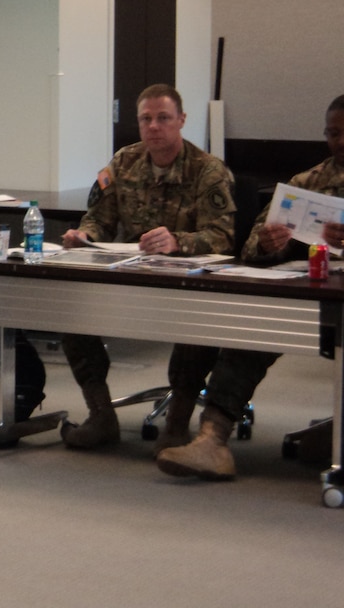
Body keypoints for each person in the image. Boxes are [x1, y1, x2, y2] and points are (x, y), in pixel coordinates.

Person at [156, 93, 344, 480]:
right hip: (319, 298)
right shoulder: (311, 182)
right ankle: (213, 438)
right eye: (332, 133)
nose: (338, 142)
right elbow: (254, 243)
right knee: (255, 324)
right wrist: (271, 241)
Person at [59, 84, 236, 450]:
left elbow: (223, 236)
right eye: (146, 119)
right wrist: (84, 235)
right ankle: (101, 414)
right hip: (130, 274)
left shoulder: (208, 171)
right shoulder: (123, 163)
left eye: (163, 118)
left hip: (185, 282)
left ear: (182, 120)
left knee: (197, 321)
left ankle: (177, 423)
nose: (154, 126)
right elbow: (98, 219)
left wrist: (179, 241)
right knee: (69, 308)